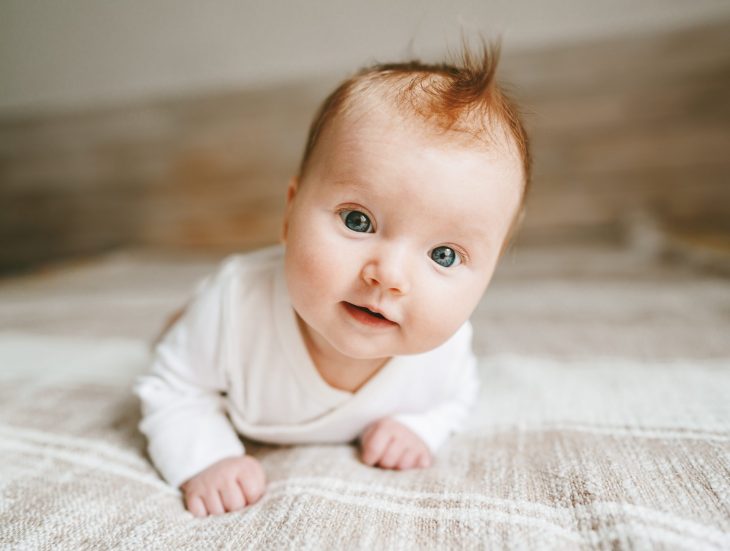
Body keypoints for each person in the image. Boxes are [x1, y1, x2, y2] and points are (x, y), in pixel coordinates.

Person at [135, 43, 531, 518]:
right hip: (219, 319)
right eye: (358, 221)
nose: (389, 276)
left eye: (444, 255)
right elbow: (173, 389)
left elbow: (457, 398)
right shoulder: (235, 307)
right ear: (290, 213)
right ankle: (177, 322)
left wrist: (420, 428)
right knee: (181, 342)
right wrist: (206, 457)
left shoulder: (445, 353)